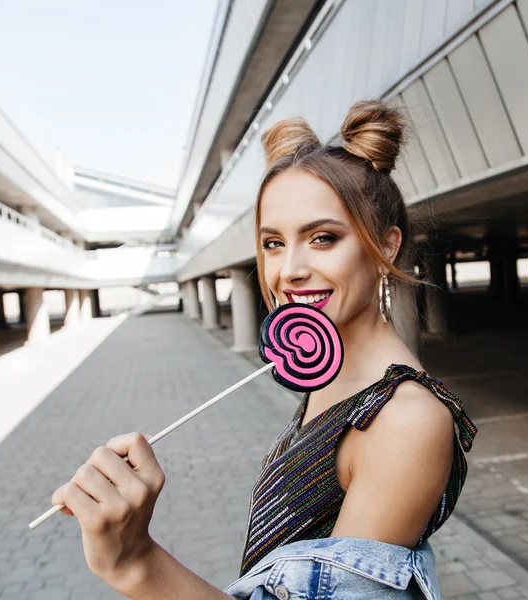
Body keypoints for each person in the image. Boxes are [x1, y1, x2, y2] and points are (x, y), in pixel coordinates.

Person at [53, 100, 478, 599]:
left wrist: (136, 563)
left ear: (385, 246)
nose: (289, 269)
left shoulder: (405, 420)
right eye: (273, 243)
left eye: (322, 238)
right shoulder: (336, 376)